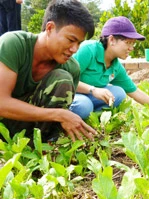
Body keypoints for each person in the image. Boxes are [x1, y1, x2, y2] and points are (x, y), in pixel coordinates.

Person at [0, 0, 97, 142]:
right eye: (71, 40)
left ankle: (39, 144)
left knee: (62, 78)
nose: (74, 49)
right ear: (50, 28)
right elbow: (1, 103)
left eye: (79, 43)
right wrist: (58, 114)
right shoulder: (14, 44)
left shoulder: (71, 68)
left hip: (26, 132)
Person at [69, 16, 149, 119]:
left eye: (133, 44)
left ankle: (92, 117)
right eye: (128, 42)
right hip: (69, 95)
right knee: (84, 106)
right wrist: (92, 89)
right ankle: (68, 116)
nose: (131, 48)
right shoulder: (88, 50)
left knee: (119, 93)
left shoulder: (115, 66)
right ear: (111, 40)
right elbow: (64, 80)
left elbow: (135, 92)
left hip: (88, 96)